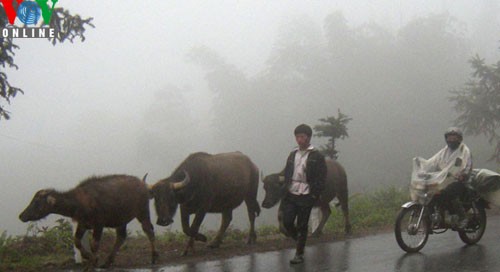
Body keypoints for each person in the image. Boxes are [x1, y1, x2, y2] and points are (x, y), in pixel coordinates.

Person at [281, 124, 326, 264]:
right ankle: (300, 241)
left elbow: (321, 176)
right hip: (291, 192)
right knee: (287, 222)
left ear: (308, 138)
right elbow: (287, 171)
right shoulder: (292, 154)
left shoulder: (316, 156)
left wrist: (314, 195)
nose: (299, 140)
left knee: (302, 224)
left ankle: (299, 253)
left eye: (302, 137)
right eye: (297, 137)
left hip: (306, 193)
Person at [426, 127, 473, 229]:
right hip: (446, 180)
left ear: (459, 139)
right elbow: (433, 161)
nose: (451, 140)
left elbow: (467, 165)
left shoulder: (464, 150)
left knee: (450, 192)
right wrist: (422, 167)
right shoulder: (444, 151)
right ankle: (436, 216)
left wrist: (463, 174)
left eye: (453, 137)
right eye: (449, 137)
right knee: (431, 191)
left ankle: (463, 217)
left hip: (461, 181)